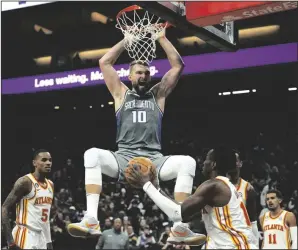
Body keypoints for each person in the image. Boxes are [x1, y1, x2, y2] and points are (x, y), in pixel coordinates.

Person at [67, 26, 200, 242]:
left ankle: (180, 227)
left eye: (147, 73)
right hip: (123, 157)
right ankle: (91, 218)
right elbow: (104, 62)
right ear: (129, 76)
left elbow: (178, 65)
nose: (144, 76)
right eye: (139, 72)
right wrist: (125, 41)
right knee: (91, 154)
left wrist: (162, 38)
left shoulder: (158, 94)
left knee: (188, 162)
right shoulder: (121, 93)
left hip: (154, 159)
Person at [128, 146, 259, 248]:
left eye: (207, 159)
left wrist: (146, 185)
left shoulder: (214, 186)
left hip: (235, 245)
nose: (203, 162)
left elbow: (177, 213)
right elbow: (184, 214)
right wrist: (156, 188)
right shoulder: (220, 187)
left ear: (213, 165)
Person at [1, 149, 54, 249]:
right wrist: (10, 241)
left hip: (41, 237)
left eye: (50, 160)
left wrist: (49, 242)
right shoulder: (25, 182)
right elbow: (4, 208)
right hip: (25, 234)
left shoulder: (51, 185)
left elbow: (45, 219)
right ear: (34, 163)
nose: (48, 163)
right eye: (44, 160)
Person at [226, 152, 259, 246]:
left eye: (234, 160)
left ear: (240, 163)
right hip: (222, 236)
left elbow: (253, 221)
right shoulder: (217, 185)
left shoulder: (248, 188)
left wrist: (256, 244)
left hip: (240, 237)